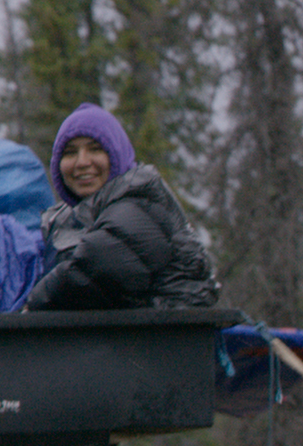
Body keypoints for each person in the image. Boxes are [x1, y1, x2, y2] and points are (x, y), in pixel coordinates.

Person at [25, 103, 219, 311]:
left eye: (95, 149)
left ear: (116, 155)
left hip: (169, 335)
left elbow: (90, 272)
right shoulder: (71, 217)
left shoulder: (137, 202)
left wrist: (30, 307)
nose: (81, 162)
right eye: (70, 152)